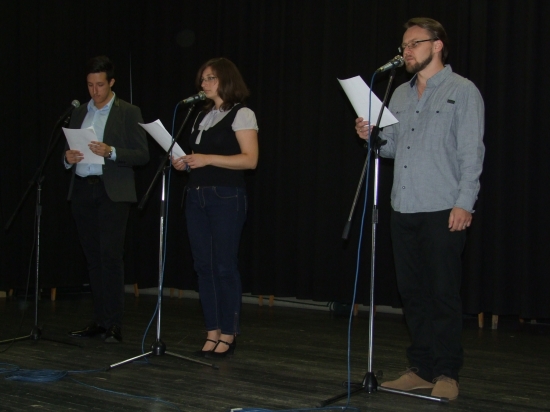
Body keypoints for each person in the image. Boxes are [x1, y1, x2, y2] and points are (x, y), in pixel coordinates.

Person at [355, 18, 484, 400]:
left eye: (414, 44)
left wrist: (465, 202)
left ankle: (447, 373)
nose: (406, 51)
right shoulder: (400, 93)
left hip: (443, 206)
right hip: (403, 206)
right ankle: (421, 368)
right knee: (412, 293)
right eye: (404, 46)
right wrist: (372, 136)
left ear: (437, 44)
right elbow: (392, 148)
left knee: (443, 293)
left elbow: (471, 152)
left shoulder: (462, 90)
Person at [172, 57, 258, 359]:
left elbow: (250, 160)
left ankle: (229, 333)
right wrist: (185, 162)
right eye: (202, 78)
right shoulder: (200, 115)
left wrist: (207, 158)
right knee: (203, 266)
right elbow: (200, 157)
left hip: (226, 197)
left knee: (224, 266)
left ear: (226, 80)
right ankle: (212, 330)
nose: (204, 83)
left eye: (210, 78)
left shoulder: (242, 113)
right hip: (196, 196)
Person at [64, 55, 149, 343]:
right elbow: (69, 149)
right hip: (82, 189)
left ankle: (113, 323)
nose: (94, 91)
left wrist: (111, 151)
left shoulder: (129, 112)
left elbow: (143, 154)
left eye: (100, 85)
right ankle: (99, 321)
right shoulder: (79, 112)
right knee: (92, 259)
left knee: (110, 258)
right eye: (90, 85)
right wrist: (67, 158)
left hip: (112, 191)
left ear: (111, 82)